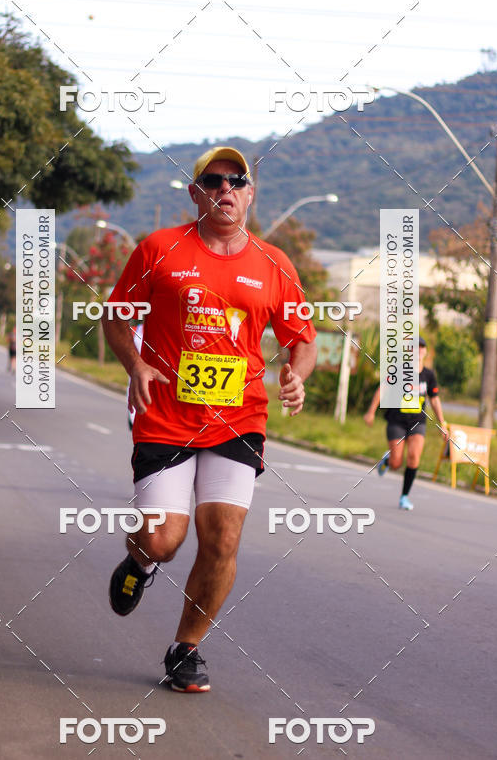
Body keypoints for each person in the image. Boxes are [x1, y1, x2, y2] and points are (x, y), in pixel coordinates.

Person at [102, 145, 317, 693]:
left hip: (238, 419)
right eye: (214, 180)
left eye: (237, 180)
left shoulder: (274, 265)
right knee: (164, 539)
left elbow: (303, 342)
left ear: (250, 194)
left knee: (221, 540)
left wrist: (297, 373)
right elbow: (117, 317)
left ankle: (185, 648)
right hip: (165, 416)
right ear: (196, 193)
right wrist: (137, 364)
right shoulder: (159, 248)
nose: (227, 189)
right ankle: (141, 561)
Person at [364, 336, 449, 510]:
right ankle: (388, 460)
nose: (418, 351)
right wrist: (371, 411)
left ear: (425, 352)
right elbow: (383, 388)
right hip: (397, 420)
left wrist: (442, 423)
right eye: (414, 348)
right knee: (397, 464)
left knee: (414, 456)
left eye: (421, 348)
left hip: (418, 421)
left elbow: (434, 400)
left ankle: (404, 496)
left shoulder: (429, 375)